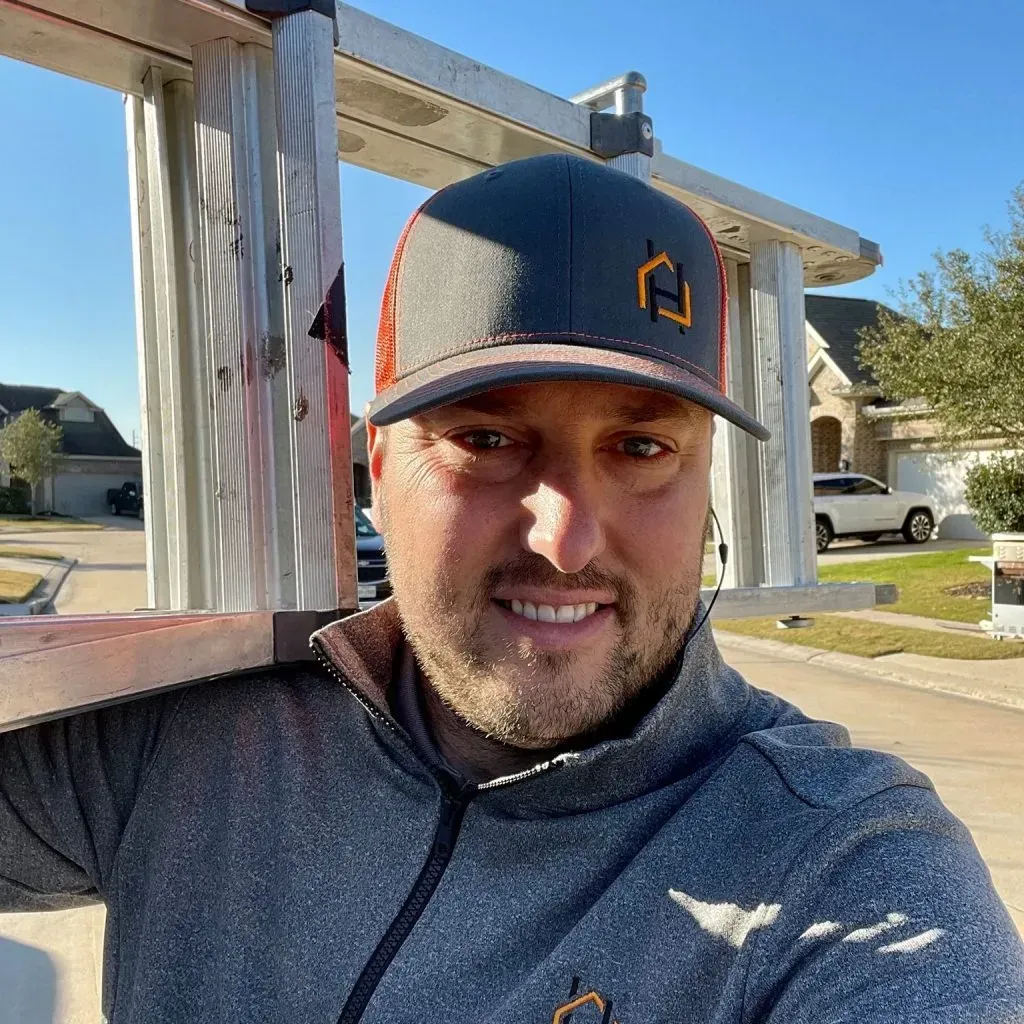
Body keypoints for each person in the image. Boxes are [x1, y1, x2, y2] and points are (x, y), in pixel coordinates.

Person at [1, 154, 1021, 1024]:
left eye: (639, 446)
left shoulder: (839, 864)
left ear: (704, 472)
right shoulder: (185, 744)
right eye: (487, 439)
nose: (567, 539)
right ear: (376, 466)